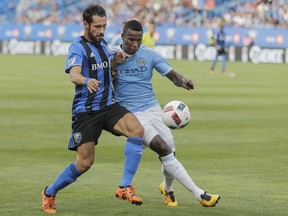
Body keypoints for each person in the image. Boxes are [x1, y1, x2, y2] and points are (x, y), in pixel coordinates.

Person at [41, 5, 145, 214]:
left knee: (137, 130)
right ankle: (49, 192)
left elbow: (106, 64)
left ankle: (124, 186)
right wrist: (86, 80)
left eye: (104, 26)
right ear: (86, 25)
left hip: (108, 105)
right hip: (86, 112)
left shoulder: (103, 43)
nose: (102, 30)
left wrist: (115, 62)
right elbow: (74, 74)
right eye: (97, 26)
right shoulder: (77, 47)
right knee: (85, 163)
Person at [112, 20, 220, 207]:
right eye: (130, 39)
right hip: (131, 114)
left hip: (153, 109)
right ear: (122, 37)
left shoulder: (149, 54)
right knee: (163, 148)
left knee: (170, 150)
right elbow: (96, 71)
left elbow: (172, 75)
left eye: (138, 39)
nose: (135, 44)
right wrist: (113, 63)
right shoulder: (111, 53)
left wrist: (183, 81)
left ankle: (167, 189)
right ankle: (200, 194)